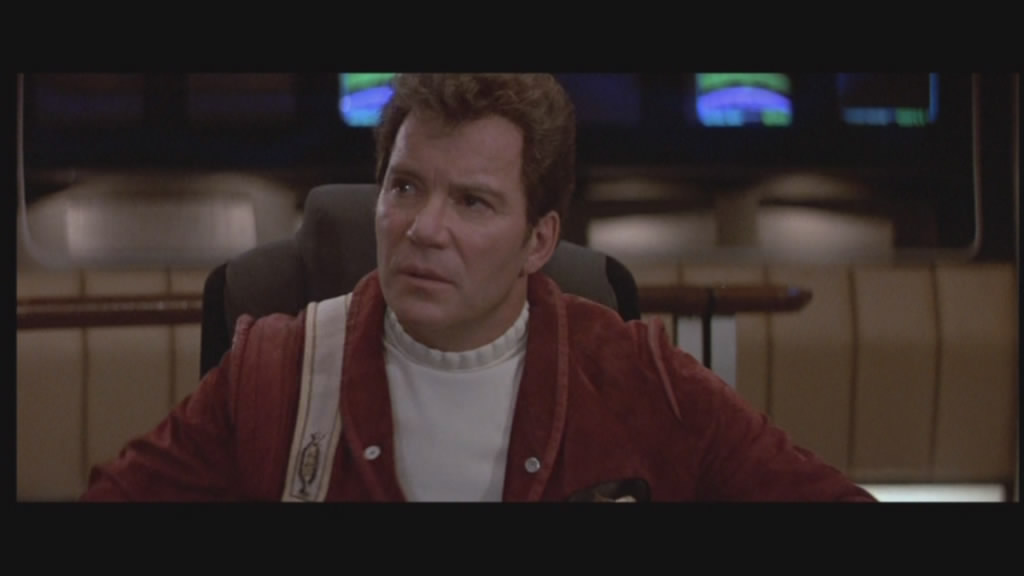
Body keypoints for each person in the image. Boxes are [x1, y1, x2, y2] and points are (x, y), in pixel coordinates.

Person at [82, 74, 875, 502]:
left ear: (539, 241)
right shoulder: (274, 371)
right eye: (405, 188)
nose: (423, 228)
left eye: (471, 202)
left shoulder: (637, 377)